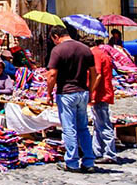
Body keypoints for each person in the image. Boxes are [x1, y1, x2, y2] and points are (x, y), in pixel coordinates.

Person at [44, 25, 97, 173]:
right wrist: (91, 91)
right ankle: (88, 160)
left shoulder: (58, 50)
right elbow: (94, 73)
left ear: (56, 36)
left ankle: (72, 162)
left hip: (66, 93)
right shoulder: (85, 49)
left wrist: (48, 93)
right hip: (82, 92)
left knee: (69, 129)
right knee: (83, 128)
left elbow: (52, 74)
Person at [90, 40, 118, 164]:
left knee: (103, 124)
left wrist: (91, 91)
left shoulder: (95, 54)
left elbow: (98, 74)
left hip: (100, 94)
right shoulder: (102, 53)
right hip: (103, 92)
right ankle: (97, 151)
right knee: (98, 125)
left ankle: (110, 154)